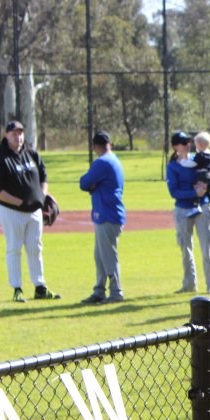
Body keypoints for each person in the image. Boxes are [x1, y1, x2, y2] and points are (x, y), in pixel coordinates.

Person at [0, 120, 61, 302]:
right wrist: (19, 202)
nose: (18, 137)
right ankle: (17, 288)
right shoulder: (1, 157)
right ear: (6, 135)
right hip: (12, 211)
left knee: (35, 248)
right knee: (14, 248)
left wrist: (42, 196)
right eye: (14, 133)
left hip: (34, 211)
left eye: (20, 133)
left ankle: (39, 286)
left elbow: (43, 174)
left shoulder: (31, 152)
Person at [166, 131, 210, 294]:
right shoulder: (173, 167)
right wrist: (194, 193)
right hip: (183, 209)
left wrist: (208, 186)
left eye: (189, 142)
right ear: (175, 146)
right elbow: (174, 192)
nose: (188, 145)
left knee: (206, 248)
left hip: (202, 208)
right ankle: (189, 284)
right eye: (183, 143)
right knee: (185, 248)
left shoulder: (199, 159)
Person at [78, 130, 126, 305]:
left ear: (95, 146)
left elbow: (84, 182)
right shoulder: (114, 160)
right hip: (109, 212)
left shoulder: (102, 162)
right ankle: (99, 290)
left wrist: (92, 185)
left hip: (107, 213)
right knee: (99, 256)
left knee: (108, 256)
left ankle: (116, 291)